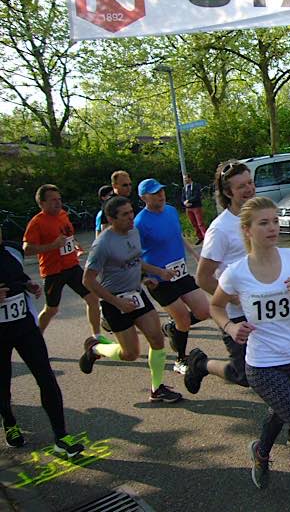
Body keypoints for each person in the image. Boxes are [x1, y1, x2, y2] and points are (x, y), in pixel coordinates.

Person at [211, 197, 290, 511]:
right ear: (247, 230)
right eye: (263, 222)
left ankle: (261, 450)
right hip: (263, 365)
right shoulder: (236, 272)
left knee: (281, 414)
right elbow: (215, 305)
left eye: (275, 221)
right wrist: (228, 327)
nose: (272, 227)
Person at [80, 196, 183, 403]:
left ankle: (157, 389)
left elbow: (136, 261)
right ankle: (95, 348)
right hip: (114, 302)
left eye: (131, 212)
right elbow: (87, 281)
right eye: (125, 215)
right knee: (130, 354)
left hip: (136, 294)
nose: (131, 217)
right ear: (111, 218)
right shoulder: (102, 245)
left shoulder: (133, 232)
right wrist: (118, 303)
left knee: (156, 339)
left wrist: (154, 274)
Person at [1, 228, 85, 457]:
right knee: (3, 383)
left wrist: (29, 285)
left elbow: (17, 276)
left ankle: (61, 436)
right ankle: (9, 422)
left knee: (46, 377)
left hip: (24, 326)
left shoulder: (11, 249)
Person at [185, 160, 256, 394]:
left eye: (250, 182)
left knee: (274, 366)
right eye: (241, 186)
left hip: (262, 305)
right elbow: (203, 277)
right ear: (228, 192)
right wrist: (231, 298)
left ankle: (289, 419)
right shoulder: (220, 229)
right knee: (244, 376)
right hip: (236, 314)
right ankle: (200, 364)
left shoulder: (257, 215)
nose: (249, 189)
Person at [134, 178, 210, 374]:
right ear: (143, 198)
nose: (160, 195)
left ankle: (174, 328)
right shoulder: (140, 222)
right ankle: (180, 360)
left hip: (180, 273)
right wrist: (154, 274)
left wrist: (195, 253)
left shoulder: (170, 211)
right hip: (158, 280)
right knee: (183, 319)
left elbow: (177, 235)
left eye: (161, 190)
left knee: (203, 311)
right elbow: (133, 257)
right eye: (154, 193)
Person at [22, 184, 103, 339]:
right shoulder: (36, 222)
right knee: (52, 309)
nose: (58, 203)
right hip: (53, 271)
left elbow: (67, 235)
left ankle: (97, 337)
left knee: (92, 299)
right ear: (42, 203)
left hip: (72, 266)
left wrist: (75, 244)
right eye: (53, 200)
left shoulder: (63, 215)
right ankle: (36, 338)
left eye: (59, 199)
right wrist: (52, 246)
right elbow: (26, 249)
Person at [183, 173, 206, 245]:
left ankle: (206, 237)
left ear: (190, 178)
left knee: (200, 223)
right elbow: (182, 197)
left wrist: (189, 201)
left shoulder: (196, 186)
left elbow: (197, 196)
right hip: (188, 208)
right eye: (184, 178)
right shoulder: (184, 188)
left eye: (186, 178)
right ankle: (200, 237)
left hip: (196, 207)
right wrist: (185, 203)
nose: (185, 180)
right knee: (194, 224)